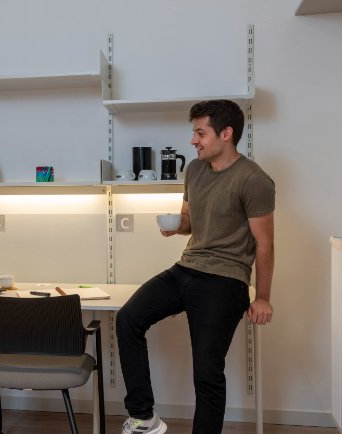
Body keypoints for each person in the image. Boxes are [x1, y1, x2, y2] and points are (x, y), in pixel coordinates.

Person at [116, 99, 275, 434]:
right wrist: (177, 226)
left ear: (226, 133)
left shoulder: (254, 180)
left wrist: (262, 297)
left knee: (206, 372)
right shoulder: (194, 169)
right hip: (186, 268)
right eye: (194, 133)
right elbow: (189, 219)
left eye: (200, 133)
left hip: (226, 279)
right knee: (128, 318)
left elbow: (265, 244)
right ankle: (144, 417)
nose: (193, 140)